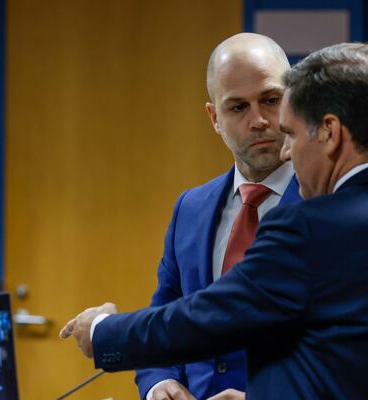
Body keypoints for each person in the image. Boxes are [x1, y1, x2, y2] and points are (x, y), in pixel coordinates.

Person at [61, 42, 368, 399]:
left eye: (290, 130)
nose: (283, 146)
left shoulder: (310, 228)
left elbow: (208, 317)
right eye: (237, 107)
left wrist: (102, 331)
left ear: (329, 132)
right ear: (214, 116)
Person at [129, 33, 302, 400]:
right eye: (238, 107)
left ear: (293, 101)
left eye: (270, 100)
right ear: (214, 118)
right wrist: (160, 383)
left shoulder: (329, 204)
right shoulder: (191, 208)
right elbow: (164, 315)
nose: (258, 121)